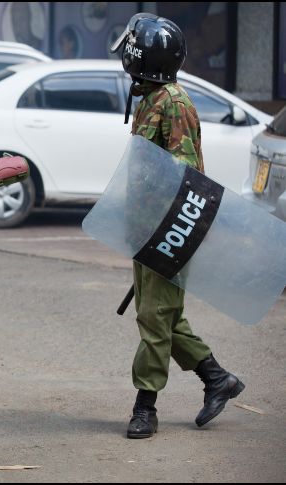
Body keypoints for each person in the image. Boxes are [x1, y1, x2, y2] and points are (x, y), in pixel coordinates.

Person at [110, 13, 245, 439]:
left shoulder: (174, 103)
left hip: (169, 232)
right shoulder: (150, 98)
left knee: (155, 318)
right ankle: (216, 378)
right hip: (148, 229)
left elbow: (186, 179)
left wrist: (166, 238)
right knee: (163, 317)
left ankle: (144, 406)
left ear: (145, 56)